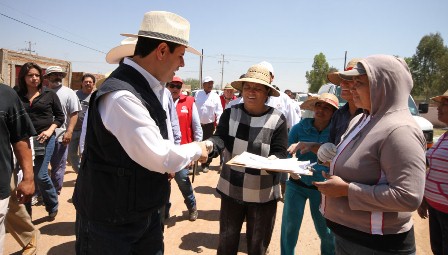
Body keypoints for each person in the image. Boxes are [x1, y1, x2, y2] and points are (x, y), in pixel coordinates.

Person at [72, 11, 208, 254]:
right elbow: (160, 156)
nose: (182, 64)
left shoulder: (150, 87)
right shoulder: (122, 96)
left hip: (143, 214)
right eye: (181, 56)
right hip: (111, 225)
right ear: (162, 51)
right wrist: (199, 148)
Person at [314, 55, 426, 254]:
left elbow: (408, 196)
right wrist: (331, 158)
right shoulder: (361, 120)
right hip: (348, 237)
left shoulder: (400, 130)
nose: (352, 88)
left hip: (377, 245)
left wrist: (347, 190)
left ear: (383, 85)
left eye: (360, 83)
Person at [205, 64, 288, 255]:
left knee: (257, 247)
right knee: (226, 244)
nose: (251, 92)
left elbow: (280, 152)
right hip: (232, 189)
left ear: (267, 92)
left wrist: (273, 161)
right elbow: (220, 139)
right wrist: (209, 147)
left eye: (257, 88)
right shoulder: (230, 113)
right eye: (247, 87)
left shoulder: (277, 119)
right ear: (241, 91)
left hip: (263, 193)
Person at [280, 93, 338, 255]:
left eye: (327, 108)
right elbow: (288, 152)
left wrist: (312, 146)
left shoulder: (336, 132)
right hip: (296, 185)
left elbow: (337, 156)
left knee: (326, 232)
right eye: (318, 106)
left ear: (334, 113)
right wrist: (290, 170)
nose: (321, 110)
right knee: (289, 229)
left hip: (323, 188)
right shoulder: (299, 128)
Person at [16, 62, 64, 219]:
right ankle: (27, 214)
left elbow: (60, 117)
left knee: (41, 175)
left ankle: (52, 204)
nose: (34, 78)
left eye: (37, 75)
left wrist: (50, 131)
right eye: (30, 75)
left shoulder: (49, 94)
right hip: (22, 141)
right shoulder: (16, 94)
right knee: (24, 176)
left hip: (44, 139)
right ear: (23, 77)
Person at [0, 83, 35, 254]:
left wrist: (28, 177)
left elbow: (20, 138)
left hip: (1, 178)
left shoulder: (6, 94)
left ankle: (29, 237)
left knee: (13, 205)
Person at [166, 76, 202, 221]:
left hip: (183, 151)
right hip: (165, 150)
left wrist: (195, 152)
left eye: (178, 86)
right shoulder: (161, 100)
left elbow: (197, 128)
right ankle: (164, 211)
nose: (175, 89)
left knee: (182, 181)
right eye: (172, 85)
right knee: (163, 184)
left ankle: (192, 206)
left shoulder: (189, 102)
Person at [417, 89, 448, 255]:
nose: (438, 107)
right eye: (440, 103)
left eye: (445, 104)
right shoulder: (444, 137)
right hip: (436, 208)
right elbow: (434, 169)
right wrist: (425, 198)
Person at [45, 66, 81, 195]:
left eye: (60, 74)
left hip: (60, 135)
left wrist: (69, 131)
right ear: (47, 77)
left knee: (58, 167)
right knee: (40, 168)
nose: (57, 77)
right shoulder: (43, 91)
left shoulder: (69, 92)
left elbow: (74, 113)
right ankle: (40, 193)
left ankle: (55, 192)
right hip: (42, 136)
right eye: (54, 74)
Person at [327, 58, 363, 145]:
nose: (342, 84)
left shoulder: (371, 115)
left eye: (350, 79)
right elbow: (331, 144)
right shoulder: (338, 114)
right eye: (342, 79)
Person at [68, 73, 95, 173]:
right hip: (74, 129)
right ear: (82, 83)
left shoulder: (95, 96)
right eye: (86, 82)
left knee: (86, 153)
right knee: (71, 154)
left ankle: (88, 173)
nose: (88, 83)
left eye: (90, 82)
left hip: (88, 131)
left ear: (93, 84)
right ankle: (80, 173)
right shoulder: (74, 94)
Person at [195, 76, 223, 173]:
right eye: (208, 83)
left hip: (209, 125)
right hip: (197, 124)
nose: (210, 85)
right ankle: (193, 164)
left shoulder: (215, 96)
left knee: (207, 145)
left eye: (211, 83)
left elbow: (219, 111)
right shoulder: (197, 94)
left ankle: (205, 164)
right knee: (196, 143)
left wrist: (219, 122)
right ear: (203, 84)